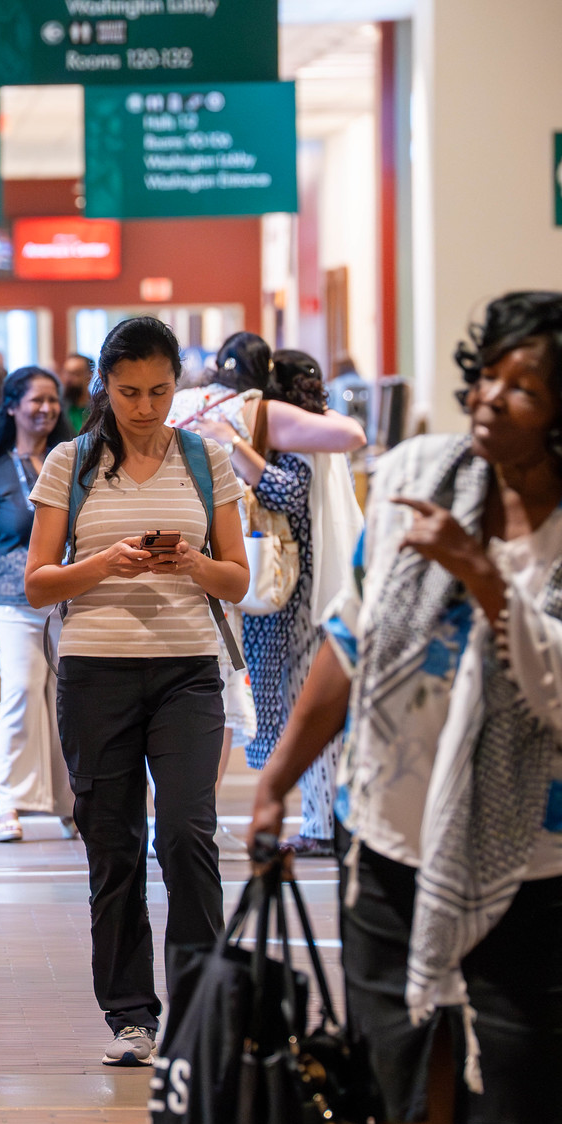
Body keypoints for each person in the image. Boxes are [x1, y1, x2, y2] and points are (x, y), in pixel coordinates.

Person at [251, 292, 562, 1124]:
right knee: (407, 1092)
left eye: (524, 387)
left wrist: (482, 574)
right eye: (487, 374)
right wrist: (276, 782)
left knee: (546, 1097)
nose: (491, 396)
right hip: (392, 836)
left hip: (546, 859)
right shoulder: (417, 477)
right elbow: (349, 638)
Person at [23, 315, 248, 1069]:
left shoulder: (207, 459)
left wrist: (191, 561)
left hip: (188, 672)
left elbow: (238, 578)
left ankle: (200, 1004)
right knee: (113, 847)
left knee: (187, 833)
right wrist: (105, 565)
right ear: (105, 387)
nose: (145, 407)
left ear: (177, 383)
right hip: (95, 676)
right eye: (128, 392)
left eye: (158, 390)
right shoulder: (71, 462)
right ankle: (130, 1014)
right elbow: (37, 581)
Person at [190, 349, 363, 857]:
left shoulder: (292, 437)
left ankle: (324, 825)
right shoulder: (312, 429)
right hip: (299, 594)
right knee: (302, 709)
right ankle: (323, 820)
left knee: (308, 709)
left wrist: (237, 444)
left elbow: (286, 492)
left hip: (300, 598)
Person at [0, 367, 76, 843]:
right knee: (23, 693)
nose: (46, 408)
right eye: (35, 400)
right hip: (12, 603)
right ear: (12, 407)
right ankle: (8, 802)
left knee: (72, 704)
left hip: (72, 601)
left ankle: (72, 806)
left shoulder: (76, 462)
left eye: (53, 400)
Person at [60, 353, 94, 435]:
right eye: (66, 373)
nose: (68, 379)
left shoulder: (99, 409)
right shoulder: (58, 409)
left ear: (89, 377)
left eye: (75, 374)